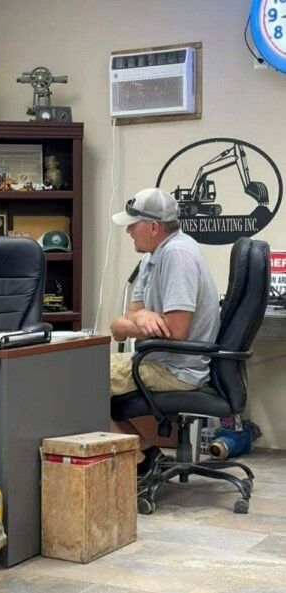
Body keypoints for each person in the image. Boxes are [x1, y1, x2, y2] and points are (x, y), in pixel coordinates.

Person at [110, 188, 220, 474]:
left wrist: (133, 324)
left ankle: (142, 459)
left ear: (154, 226)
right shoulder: (151, 256)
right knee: (78, 370)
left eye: (133, 225)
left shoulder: (178, 255)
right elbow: (119, 326)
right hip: (155, 361)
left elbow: (176, 330)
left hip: (178, 370)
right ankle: (145, 454)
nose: (129, 231)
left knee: (76, 383)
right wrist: (143, 317)